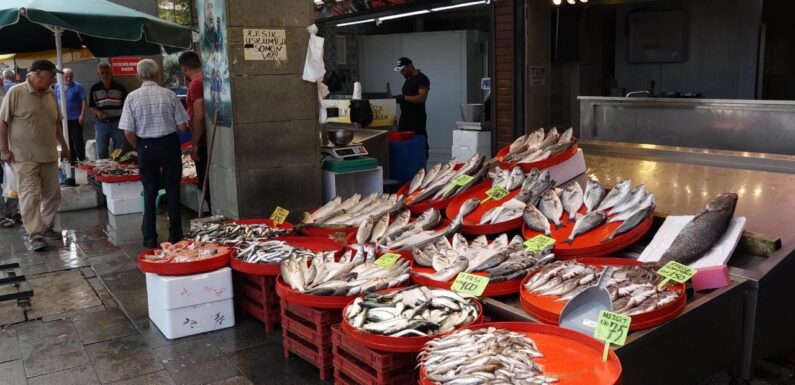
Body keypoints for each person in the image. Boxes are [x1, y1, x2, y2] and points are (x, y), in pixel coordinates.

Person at [0, 60, 70, 251]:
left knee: (53, 195)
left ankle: (47, 226)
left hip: (48, 155)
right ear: (37, 74)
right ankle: (35, 235)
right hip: (24, 156)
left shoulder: (50, 94)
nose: (53, 79)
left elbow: (56, 123)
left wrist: (64, 146)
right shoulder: (16, 92)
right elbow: (3, 122)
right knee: (30, 196)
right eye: (51, 75)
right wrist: (4, 149)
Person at [119, 59, 189, 248]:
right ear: (158, 75)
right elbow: (183, 126)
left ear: (138, 76)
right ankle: (176, 236)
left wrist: (139, 146)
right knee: (173, 190)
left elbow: (128, 131)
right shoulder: (169, 95)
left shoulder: (132, 97)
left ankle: (149, 238)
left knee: (149, 191)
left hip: (146, 147)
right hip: (169, 145)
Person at [178, 51, 210, 210]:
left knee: (205, 182)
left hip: (203, 141)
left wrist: (195, 143)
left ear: (184, 69)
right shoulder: (207, 79)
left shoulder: (196, 83)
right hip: (207, 139)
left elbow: (199, 115)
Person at [393, 57, 430, 158]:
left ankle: (420, 162)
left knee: (417, 142)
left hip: (416, 117)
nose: (402, 73)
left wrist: (404, 98)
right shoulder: (408, 80)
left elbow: (422, 98)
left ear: (409, 66)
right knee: (404, 142)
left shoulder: (422, 79)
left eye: (403, 70)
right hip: (405, 116)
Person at [89, 62, 127, 159]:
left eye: (107, 72)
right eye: (102, 73)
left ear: (111, 73)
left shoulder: (120, 88)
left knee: (119, 150)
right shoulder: (94, 88)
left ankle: (116, 170)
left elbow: (126, 106)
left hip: (118, 123)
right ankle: (104, 171)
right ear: (99, 74)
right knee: (101, 151)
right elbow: (91, 106)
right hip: (101, 124)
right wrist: (98, 112)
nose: (105, 75)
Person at [54, 68, 87, 162]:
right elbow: (55, 100)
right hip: (63, 119)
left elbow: (84, 100)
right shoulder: (57, 86)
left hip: (76, 118)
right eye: (66, 77)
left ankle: (81, 158)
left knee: (77, 138)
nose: (69, 78)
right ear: (62, 77)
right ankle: (72, 158)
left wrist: (82, 114)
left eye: (70, 76)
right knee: (66, 139)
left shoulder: (78, 86)